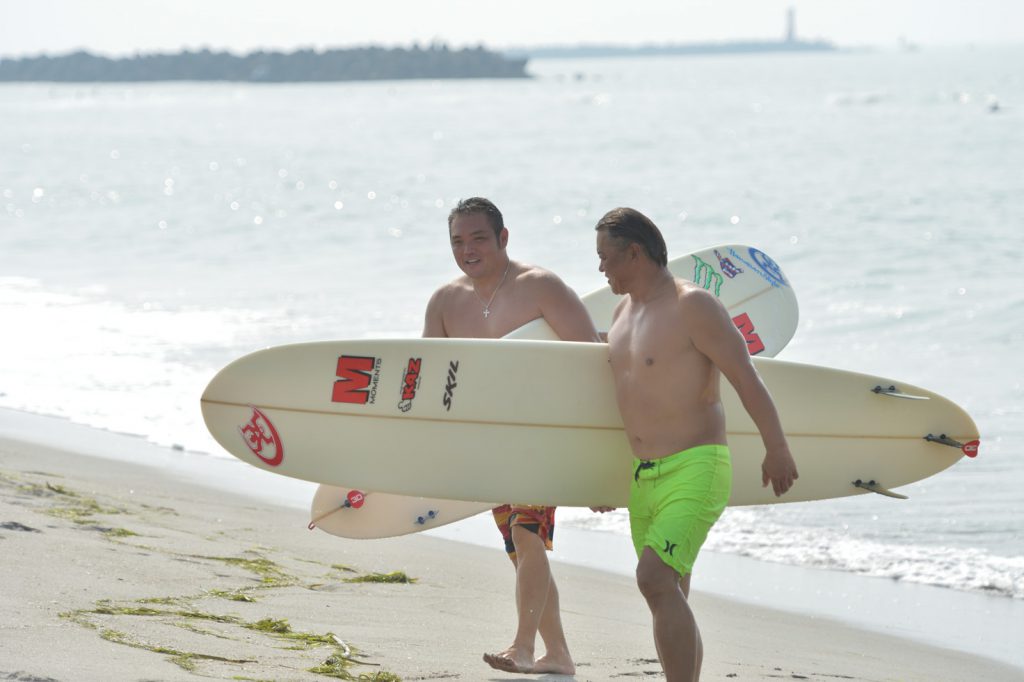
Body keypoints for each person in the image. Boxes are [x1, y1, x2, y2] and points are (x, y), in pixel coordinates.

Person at [594, 207, 799, 682]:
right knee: (671, 590)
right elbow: (625, 403)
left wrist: (777, 447)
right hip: (644, 477)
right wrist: (600, 476)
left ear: (634, 252)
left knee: (654, 580)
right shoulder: (622, 314)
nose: (600, 268)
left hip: (696, 466)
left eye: (605, 258)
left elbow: (746, 378)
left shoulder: (694, 305)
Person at [423, 197, 599, 675]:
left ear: (503, 237)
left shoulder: (540, 287)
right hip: (490, 443)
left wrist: (600, 457)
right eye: (458, 241)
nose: (468, 249)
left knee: (526, 531)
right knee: (522, 548)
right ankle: (558, 654)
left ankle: (522, 646)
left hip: (545, 433)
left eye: (478, 238)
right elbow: (436, 387)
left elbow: (594, 365)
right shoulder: (444, 302)